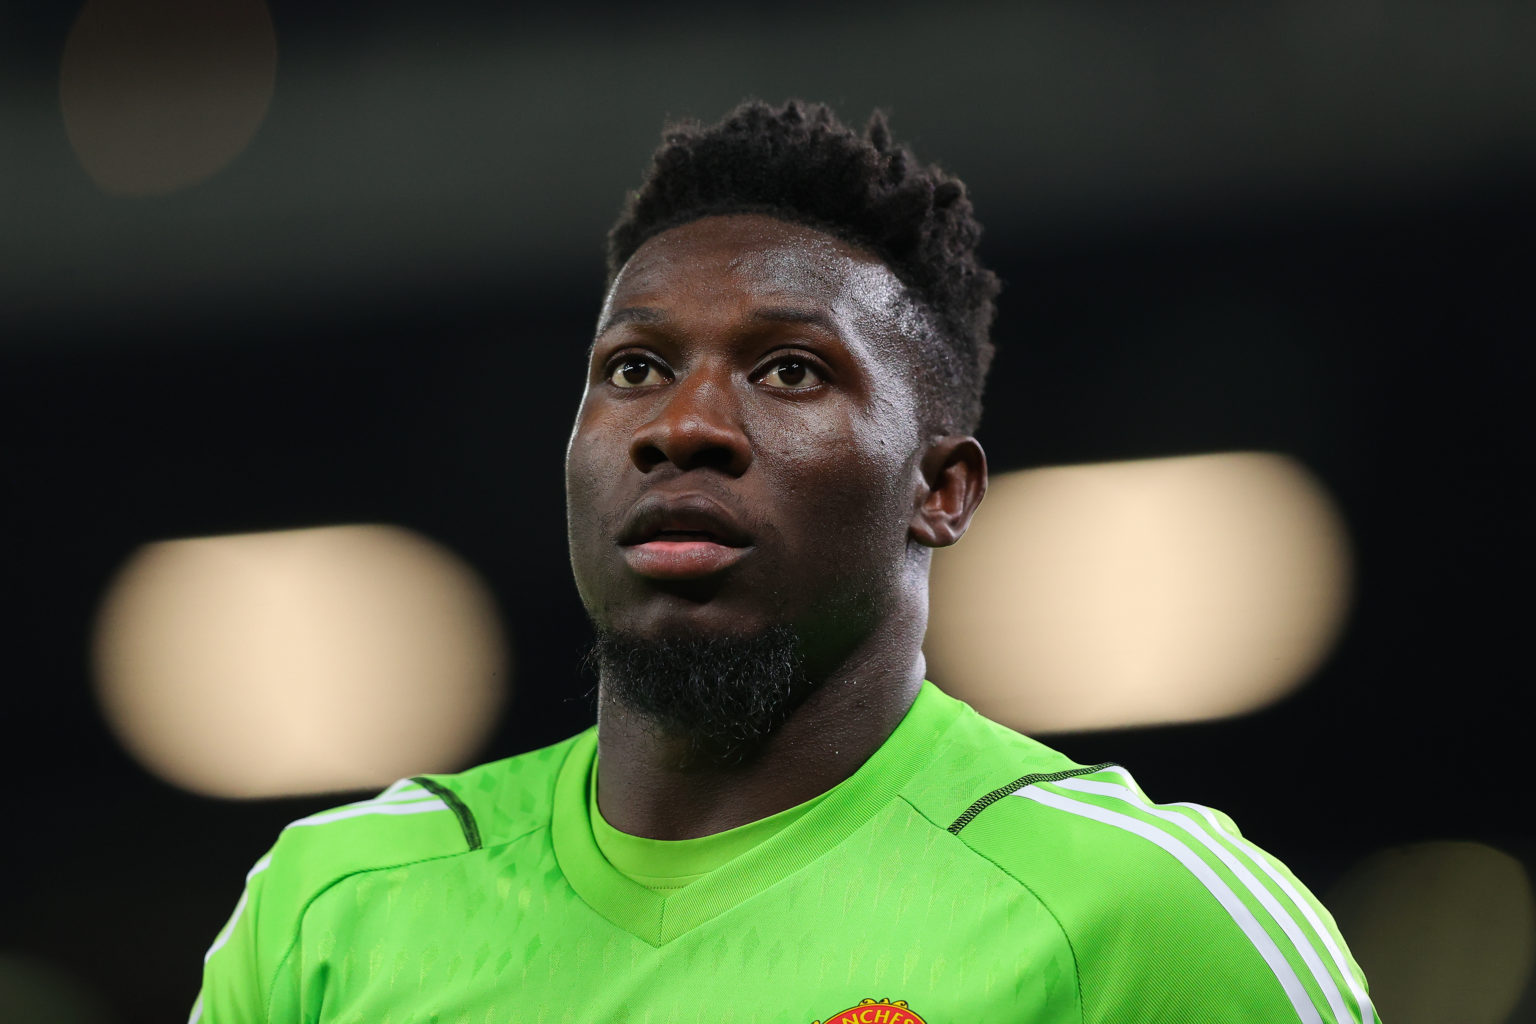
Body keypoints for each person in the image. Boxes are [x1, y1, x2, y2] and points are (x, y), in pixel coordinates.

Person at [191, 99, 1376, 1023]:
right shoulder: (333, 909)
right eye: (634, 368)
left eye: (790, 370)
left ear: (940, 488)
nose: (682, 424)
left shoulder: (1140, 916)